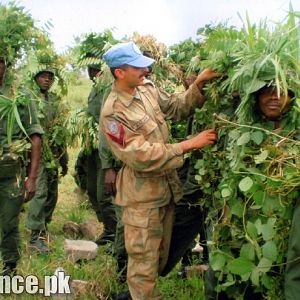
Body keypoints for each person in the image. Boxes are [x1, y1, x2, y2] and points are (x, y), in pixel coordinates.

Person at [100, 41, 220, 300]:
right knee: (143, 266)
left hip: (165, 190)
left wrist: (198, 84)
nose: (145, 71)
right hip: (142, 200)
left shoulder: (146, 90)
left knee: (156, 259)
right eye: (138, 67)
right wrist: (188, 145)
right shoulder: (113, 113)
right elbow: (139, 156)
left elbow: (177, 107)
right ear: (119, 72)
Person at [0, 57, 43, 275]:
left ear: (5, 64)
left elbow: (35, 137)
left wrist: (32, 177)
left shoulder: (21, 96)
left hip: (11, 175)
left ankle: (9, 268)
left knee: (8, 223)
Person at [25, 68, 68, 253]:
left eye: (50, 78)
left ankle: (44, 227)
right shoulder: (29, 98)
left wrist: (63, 158)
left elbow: (60, 129)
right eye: (43, 76)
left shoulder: (54, 101)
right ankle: (35, 236)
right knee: (40, 193)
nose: (47, 80)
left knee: (52, 192)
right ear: (35, 77)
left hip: (52, 154)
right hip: (36, 153)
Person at [85, 61, 117, 246]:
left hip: (106, 148)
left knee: (105, 194)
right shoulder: (95, 88)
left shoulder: (109, 88)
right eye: (90, 70)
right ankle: (108, 228)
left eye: (97, 70)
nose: (93, 73)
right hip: (94, 149)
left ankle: (113, 232)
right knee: (93, 190)